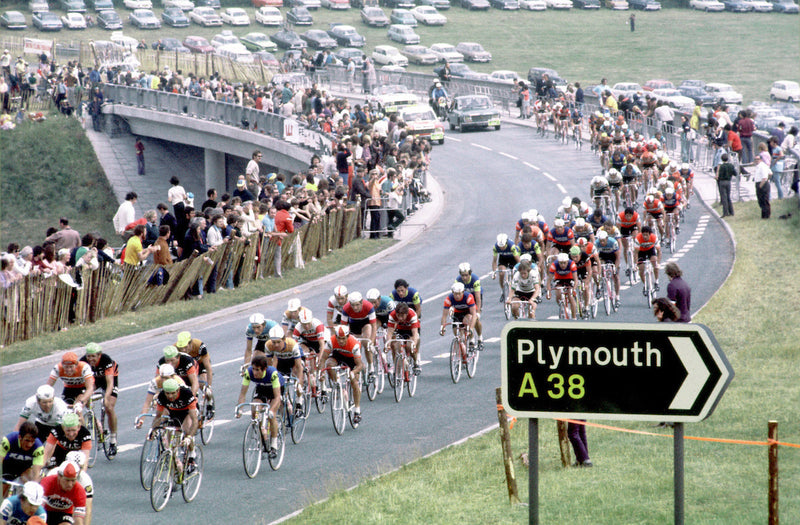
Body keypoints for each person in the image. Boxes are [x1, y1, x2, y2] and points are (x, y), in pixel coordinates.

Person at [236, 355, 283, 459]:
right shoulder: (249, 373)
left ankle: (274, 445)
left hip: (275, 390)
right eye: (253, 369)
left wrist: (271, 410)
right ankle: (262, 437)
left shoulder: (272, 373)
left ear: (264, 369)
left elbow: (277, 397)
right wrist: (240, 409)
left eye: (257, 370)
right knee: (255, 408)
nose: (254, 372)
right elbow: (243, 393)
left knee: (272, 415)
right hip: (261, 388)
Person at [78, 343, 118, 456]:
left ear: (99, 355)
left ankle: (113, 440)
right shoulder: (83, 362)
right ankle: (97, 425)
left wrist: (106, 398)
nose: (90, 359)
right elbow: (82, 384)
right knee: (84, 399)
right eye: (88, 356)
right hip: (93, 381)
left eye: (93, 356)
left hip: (108, 380)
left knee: (109, 406)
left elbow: (110, 383)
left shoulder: (106, 360)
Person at [319, 325, 363, 424]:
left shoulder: (354, 344)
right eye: (339, 338)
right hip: (338, 356)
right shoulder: (331, 341)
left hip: (352, 359)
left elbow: (360, 365)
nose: (341, 341)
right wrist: (321, 372)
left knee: (354, 382)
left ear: (348, 337)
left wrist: (353, 372)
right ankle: (337, 386)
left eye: (343, 339)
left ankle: (357, 410)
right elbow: (323, 359)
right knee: (329, 364)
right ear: (336, 336)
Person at [174, 331, 214, 417]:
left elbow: (208, 367)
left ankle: (210, 403)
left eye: (185, 347)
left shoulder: (199, 346)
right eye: (181, 348)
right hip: (185, 367)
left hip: (200, 365)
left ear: (191, 343)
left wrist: (209, 386)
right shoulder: (174, 349)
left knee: (202, 385)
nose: (183, 350)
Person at [264, 326, 305, 409]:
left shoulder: (292, 344)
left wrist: (299, 383)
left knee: (296, 377)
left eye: (278, 342)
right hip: (281, 360)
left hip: (294, 359)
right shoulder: (268, 345)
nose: (276, 345)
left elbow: (299, 367)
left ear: (284, 339)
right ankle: (285, 400)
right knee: (278, 379)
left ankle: (299, 400)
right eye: (273, 342)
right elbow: (270, 367)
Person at [1, 423, 44, 495]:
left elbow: (36, 473)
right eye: (27, 440)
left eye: (32, 441)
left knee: (33, 484)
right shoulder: (8, 440)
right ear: (20, 437)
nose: (30, 445)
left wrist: (33, 488)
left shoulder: (38, 447)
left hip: (25, 469)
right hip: (8, 467)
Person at [41, 461, 87, 525]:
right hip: (44, 511)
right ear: (59, 476)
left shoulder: (79, 490)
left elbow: (79, 519)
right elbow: (38, 508)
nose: (70, 484)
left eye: (73, 480)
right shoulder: (47, 482)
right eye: (67, 480)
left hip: (64, 515)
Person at [634, 224, 661, 289]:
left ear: (650, 234)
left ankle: (656, 281)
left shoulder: (654, 238)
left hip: (650, 250)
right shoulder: (638, 238)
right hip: (641, 252)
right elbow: (636, 253)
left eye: (647, 235)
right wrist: (636, 264)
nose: (645, 237)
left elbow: (659, 252)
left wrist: (658, 263)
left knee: (655, 264)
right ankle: (645, 285)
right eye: (644, 235)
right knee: (641, 269)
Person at [715, 153, 736, 217]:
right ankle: (731, 211)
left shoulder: (722, 166)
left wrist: (717, 178)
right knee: (728, 197)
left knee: (724, 197)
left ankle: (725, 212)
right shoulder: (731, 166)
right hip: (728, 181)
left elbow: (720, 175)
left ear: (722, 159)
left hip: (722, 182)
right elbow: (735, 173)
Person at [752, 153, 772, 219]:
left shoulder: (762, 166)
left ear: (761, 159)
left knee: (764, 200)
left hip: (762, 184)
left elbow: (765, 177)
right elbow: (770, 173)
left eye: (758, 159)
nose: (756, 160)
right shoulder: (759, 166)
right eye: (755, 159)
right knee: (761, 200)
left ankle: (766, 216)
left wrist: (760, 186)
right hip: (761, 183)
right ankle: (764, 215)